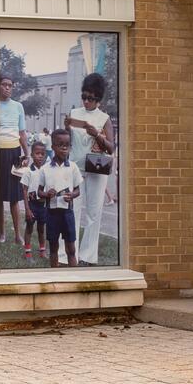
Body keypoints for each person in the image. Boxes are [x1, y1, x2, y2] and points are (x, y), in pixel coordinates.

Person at [66, 72, 114, 265]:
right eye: (84, 96)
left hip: (96, 168)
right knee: (72, 210)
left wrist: (97, 135)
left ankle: (88, 255)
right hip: (75, 167)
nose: (86, 101)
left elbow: (111, 147)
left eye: (91, 98)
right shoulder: (74, 113)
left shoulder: (105, 118)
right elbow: (65, 141)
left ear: (98, 99)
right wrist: (66, 129)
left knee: (93, 213)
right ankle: (69, 253)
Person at [40, 129, 82, 267]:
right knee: (53, 248)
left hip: (67, 213)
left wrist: (72, 195)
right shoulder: (45, 169)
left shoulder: (73, 167)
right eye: (60, 144)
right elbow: (39, 192)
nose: (64, 147)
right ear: (52, 147)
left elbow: (78, 190)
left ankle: (74, 278)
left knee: (71, 248)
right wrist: (47, 194)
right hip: (52, 213)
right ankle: (55, 276)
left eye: (67, 145)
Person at [0, 76, 30, 245]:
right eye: (4, 85)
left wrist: (27, 154)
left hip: (14, 153)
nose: (7, 88)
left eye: (10, 85)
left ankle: (18, 234)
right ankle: (1, 233)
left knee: (15, 198)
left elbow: (22, 133)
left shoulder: (18, 106)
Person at [21, 141, 49, 263]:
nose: (40, 156)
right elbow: (24, 190)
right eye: (37, 153)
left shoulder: (46, 170)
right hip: (32, 204)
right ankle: (28, 253)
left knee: (41, 229)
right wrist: (27, 209)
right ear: (32, 154)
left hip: (43, 204)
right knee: (29, 228)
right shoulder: (28, 171)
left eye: (42, 154)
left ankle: (42, 250)